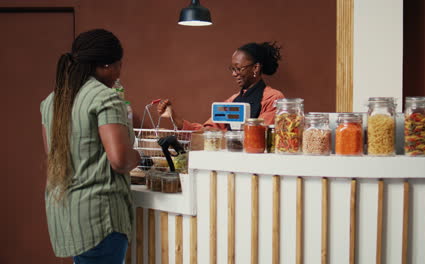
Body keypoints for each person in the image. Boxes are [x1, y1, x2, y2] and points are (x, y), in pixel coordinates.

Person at [40, 29, 140, 263]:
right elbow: (121, 160)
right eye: (118, 66)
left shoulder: (52, 100)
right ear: (106, 65)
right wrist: (138, 155)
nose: (118, 73)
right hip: (99, 216)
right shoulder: (104, 97)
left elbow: (52, 153)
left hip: (66, 212)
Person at [157, 41, 285, 130]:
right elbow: (208, 132)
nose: (234, 74)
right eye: (232, 69)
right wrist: (176, 119)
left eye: (238, 69)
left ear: (255, 68)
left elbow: (261, 134)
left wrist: (225, 135)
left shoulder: (273, 98)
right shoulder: (232, 101)